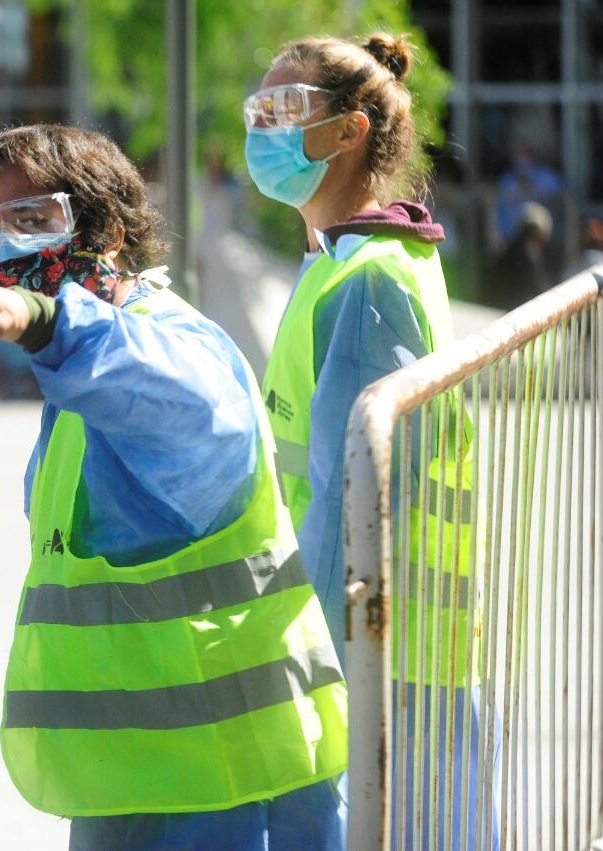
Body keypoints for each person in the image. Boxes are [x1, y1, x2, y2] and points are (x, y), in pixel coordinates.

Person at [0, 124, 347, 849]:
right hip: (135, 788)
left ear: (110, 231)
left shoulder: (166, 346)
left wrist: (45, 319)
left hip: (233, 794)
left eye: (33, 220)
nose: (10, 251)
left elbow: (168, 399)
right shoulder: (73, 388)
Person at [246, 33, 487, 847]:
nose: (261, 130)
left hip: (377, 646)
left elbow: (355, 494)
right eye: (256, 110)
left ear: (349, 132)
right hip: (393, 640)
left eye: (283, 110)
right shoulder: (346, 259)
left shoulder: (368, 276)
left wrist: (300, 656)